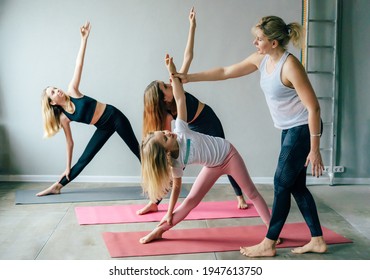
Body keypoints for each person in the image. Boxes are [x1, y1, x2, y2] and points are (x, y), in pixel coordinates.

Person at [174, 16, 327, 257]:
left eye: (259, 39)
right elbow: (226, 72)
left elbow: (314, 108)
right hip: (289, 130)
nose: (255, 42)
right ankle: (317, 240)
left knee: (280, 183)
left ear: (274, 43)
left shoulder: (289, 66)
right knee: (296, 186)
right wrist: (189, 78)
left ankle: (269, 242)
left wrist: (315, 148)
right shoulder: (261, 59)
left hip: (303, 129)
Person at [139, 54, 271, 244]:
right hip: (213, 166)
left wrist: (172, 72)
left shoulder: (181, 129)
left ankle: (271, 231)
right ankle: (159, 231)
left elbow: (180, 98)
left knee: (251, 193)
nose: (170, 133)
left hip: (229, 154)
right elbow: (176, 188)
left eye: (165, 132)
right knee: (190, 201)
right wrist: (168, 213)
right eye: (166, 137)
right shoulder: (175, 164)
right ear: (165, 151)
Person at [138, 7, 248, 215]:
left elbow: (188, 56)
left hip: (207, 119)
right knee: (175, 162)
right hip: (189, 128)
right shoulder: (168, 116)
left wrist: (192, 26)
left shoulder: (176, 84)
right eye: (166, 87)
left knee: (225, 155)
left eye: (167, 84)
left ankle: (239, 195)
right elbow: (171, 154)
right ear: (164, 99)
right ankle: (155, 202)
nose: (169, 85)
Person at [37, 22, 140, 196]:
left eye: (55, 87)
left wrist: (84, 39)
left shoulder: (73, 91)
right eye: (53, 92)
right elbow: (70, 143)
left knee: (136, 150)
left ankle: (161, 180)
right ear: (53, 102)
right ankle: (58, 186)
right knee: (84, 159)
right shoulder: (64, 118)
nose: (57, 90)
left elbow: (79, 65)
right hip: (103, 126)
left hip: (114, 116)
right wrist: (67, 166)